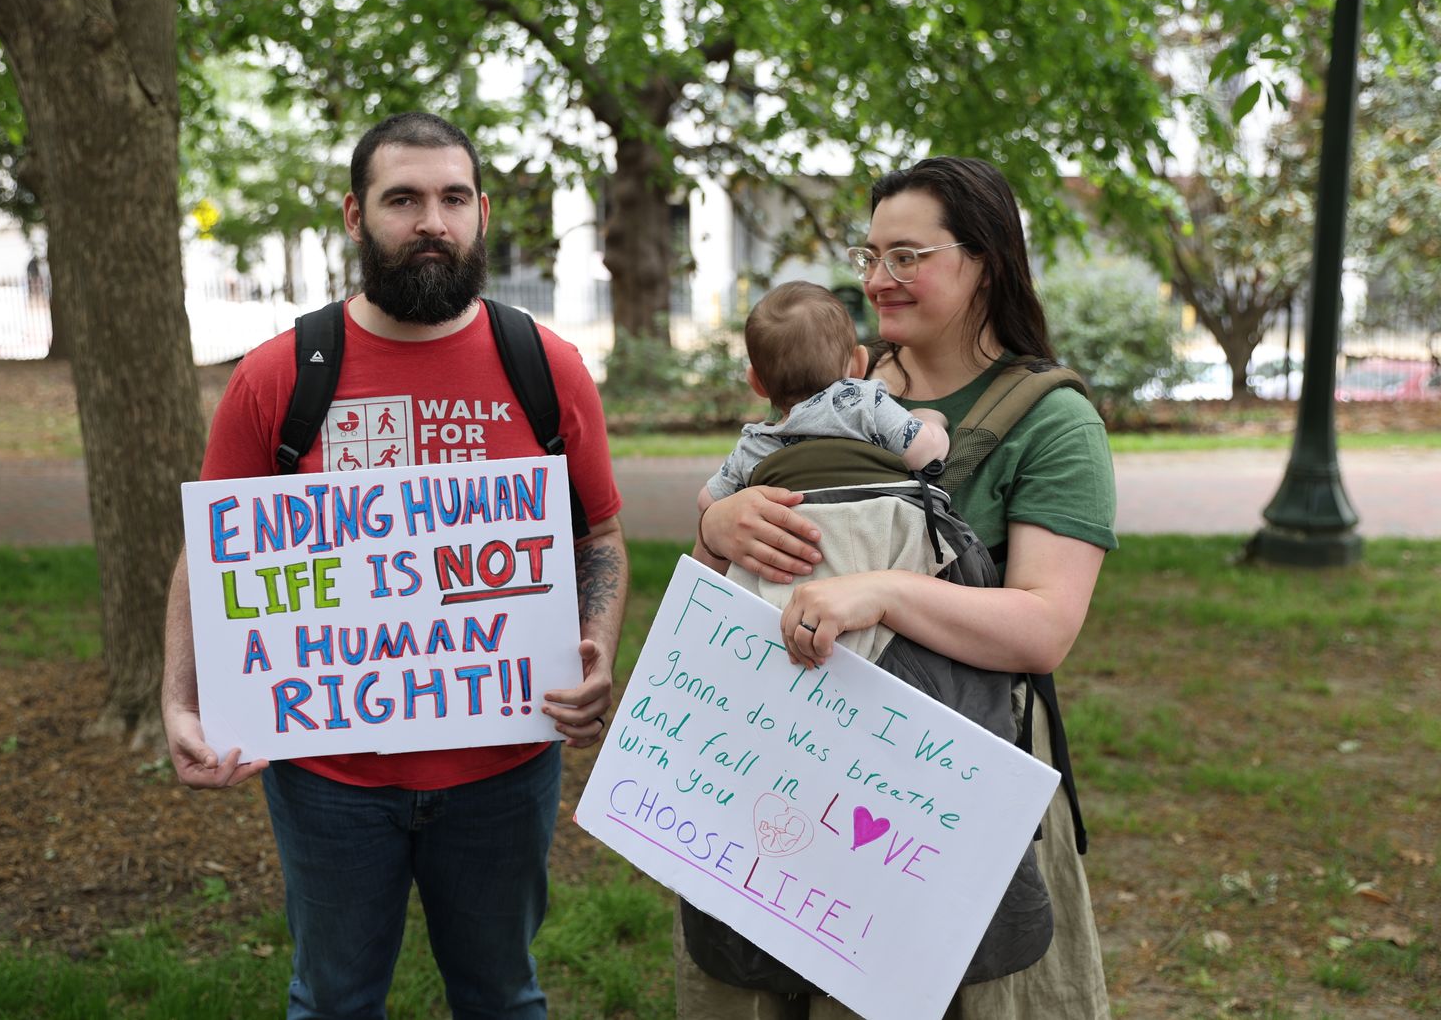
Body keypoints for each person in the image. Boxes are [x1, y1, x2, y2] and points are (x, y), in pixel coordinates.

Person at [160, 112, 628, 1020]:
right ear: (354, 215)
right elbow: (210, 552)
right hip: (329, 776)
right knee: (332, 999)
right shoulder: (279, 376)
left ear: (482, 212)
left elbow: (598, 538)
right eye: (403, 199)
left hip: (504, 764)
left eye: (454, 198)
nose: (432, 222)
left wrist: (594, 643)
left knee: (502, 996)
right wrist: (180, 698)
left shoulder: (547, 366)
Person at [688, 157, 1117, 1019]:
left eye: (907, 256)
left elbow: (1042, 628)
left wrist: (881, 591)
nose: (877, 279)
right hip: (775, 779)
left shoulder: (1052, 421)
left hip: (938, 803)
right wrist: (715, 528)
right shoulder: (825, 394)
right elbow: (718, 590)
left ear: (984, 261)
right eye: (870, 254)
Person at [698, 280, 950, 512]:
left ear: (756, 383)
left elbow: (707, 502)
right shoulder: (865, 405)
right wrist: (931, 421)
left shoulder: (753, 447)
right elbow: (926, 453)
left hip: (795, 555)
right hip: (880, 547)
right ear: (859, 364)